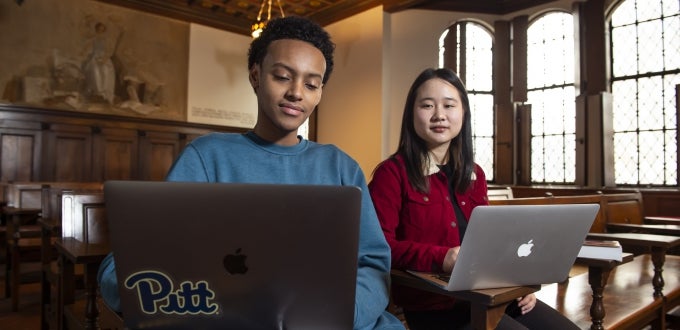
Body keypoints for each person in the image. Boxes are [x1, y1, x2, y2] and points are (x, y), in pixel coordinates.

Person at [96, 16, 404, 330]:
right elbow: (145, 253)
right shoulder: (207, 156)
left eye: (311, 84)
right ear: (256, 76)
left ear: (320, 92)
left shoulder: (340, 167)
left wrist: (344, 316)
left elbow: (372, 262)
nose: (297, 92)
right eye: (283, 77)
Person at [367, 68, 579, 330]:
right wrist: (441, 258)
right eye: (427, 105)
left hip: (493, 295)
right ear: (412, 114)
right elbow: (379, 247)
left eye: (449, 105)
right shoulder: (392, 173)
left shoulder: (474, 173)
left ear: (463, 112)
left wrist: (519, 282)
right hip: (438, 306)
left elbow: (493, 242)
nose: (439, 115)